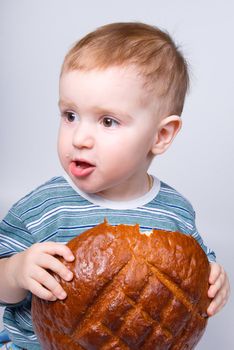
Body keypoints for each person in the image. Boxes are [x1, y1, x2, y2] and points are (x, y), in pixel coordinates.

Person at [0, 22, 230, 349]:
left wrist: (217, 282)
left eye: (108, 121)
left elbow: (197, 278)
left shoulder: (176, 213)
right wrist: (15, 272)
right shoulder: (43, 208)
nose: (79, 138)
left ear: (160, 135)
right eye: (70, 115)